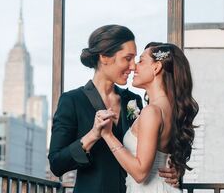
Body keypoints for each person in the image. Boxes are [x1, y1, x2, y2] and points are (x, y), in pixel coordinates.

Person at [48, 26, 179, 193]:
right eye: (128, 58)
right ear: (104, 57)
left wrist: (171, 170)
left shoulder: (133, 100)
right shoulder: (72, 101)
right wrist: (92, 136)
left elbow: (150, 147)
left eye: (135, 59)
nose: (133, 66)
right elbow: (56, 164)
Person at [99, 42, 199, 192]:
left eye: (141, 61)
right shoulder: (171, 109)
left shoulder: (152, 111)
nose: (133, 67)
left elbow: (140, 173)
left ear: (156, 67)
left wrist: (107, 135)